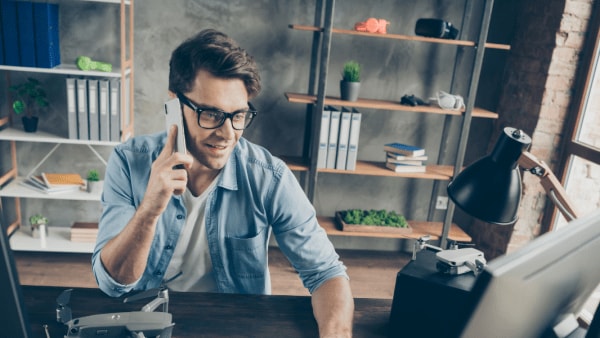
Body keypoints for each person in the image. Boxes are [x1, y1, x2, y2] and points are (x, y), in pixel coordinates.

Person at [92, 29, 354, 337]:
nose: (228, 133)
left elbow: (325, 273)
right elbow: (113, 284)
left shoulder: (269, 177)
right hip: (148, 325)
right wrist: (149, 209)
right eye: (212, 114)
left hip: (236, 328)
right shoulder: (129, 161)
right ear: (175, 105)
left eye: (238, 116)